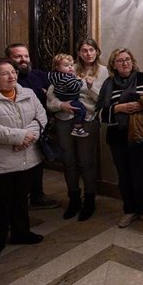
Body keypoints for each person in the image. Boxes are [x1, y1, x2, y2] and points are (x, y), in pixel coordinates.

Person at [0, 58, 46, 266]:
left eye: (13, 72)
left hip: (26, 156)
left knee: (21, 197)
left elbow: (40, 118)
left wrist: (29, 137)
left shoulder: (27, 93)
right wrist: (20, 137)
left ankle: (21, 232)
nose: (12, 76)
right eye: (5, 73)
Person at [96, 48, 143, 228]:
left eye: (127, 59)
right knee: (124, 176)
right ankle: (129, 210)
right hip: (117, 137)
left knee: (142, 176)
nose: (125, 63)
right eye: (120, 60)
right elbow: (99, 114)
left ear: (132, 61)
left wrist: (141, 105)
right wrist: (118, 108)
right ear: (113, 65)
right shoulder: (108, 84)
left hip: (141, 136)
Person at [47, 39, 108, 221]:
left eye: (91, 50)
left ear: (97, 52)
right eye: (84, 50)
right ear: (79, 52)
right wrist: (61, 104)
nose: (88, 53)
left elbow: (101, 99)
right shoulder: (69, 67)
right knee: (68, 161)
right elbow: (50, 96)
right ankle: (74, 199)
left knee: (87, 162)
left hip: (88, 119)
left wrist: (89, 87)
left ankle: (89, 200)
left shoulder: (103, 71)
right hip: (64, 119)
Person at [5, 43, 59, 210]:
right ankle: (17, 201)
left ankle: (37, 196)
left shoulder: (38, 75)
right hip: (15, 130)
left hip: (38, 127)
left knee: (37, 164)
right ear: (9, 59)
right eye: (18, 56)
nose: (23, 60)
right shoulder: (6, 79)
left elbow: (55, 88)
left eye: (26, 56)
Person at [48, 53, 89, 138]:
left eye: (71, 65)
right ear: (57, 67)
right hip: (70, 99)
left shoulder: (55, 75)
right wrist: (79, 81)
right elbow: (75, 87)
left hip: (61, 96)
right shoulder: (67, 78)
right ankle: (77, 128)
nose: (70, 67)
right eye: (66, 65)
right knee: (81, 110)